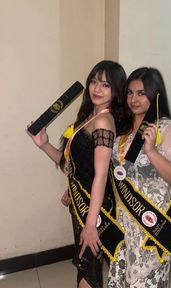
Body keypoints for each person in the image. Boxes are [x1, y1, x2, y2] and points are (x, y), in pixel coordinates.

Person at [27, 60, 127, 288]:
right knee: (87, 269)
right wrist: (44, 144)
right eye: (94, 81)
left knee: (89, 273)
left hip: (95, 211)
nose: (97, 89)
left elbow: (101, 175)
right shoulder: (88, 118)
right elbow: (72, 166)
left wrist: (91, 225)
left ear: (116, 90)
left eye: (105, 85)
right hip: (83, 205)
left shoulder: (103, 121)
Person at [107, 67, 171, 288]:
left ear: (155, 95)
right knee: (121, 279)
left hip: (150, 224)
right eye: (130, 93)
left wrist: (151, 151)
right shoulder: (122, 127)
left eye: (141, 93)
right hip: (123, 221)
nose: (134, 99)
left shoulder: (166, 128)